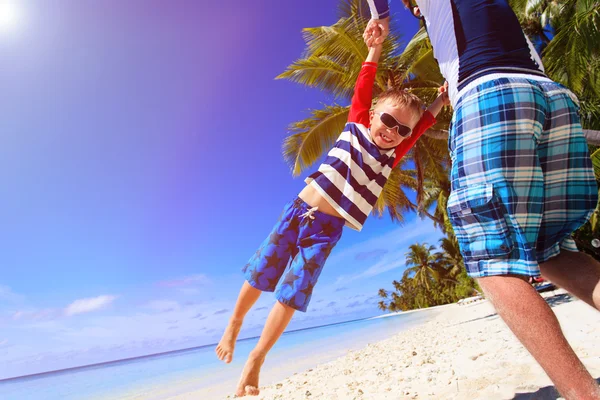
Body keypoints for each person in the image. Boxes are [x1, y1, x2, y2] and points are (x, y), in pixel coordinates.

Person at [363, 1, 600, 398]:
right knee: (554, 253)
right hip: (552, 98)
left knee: (492, 263)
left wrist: (380, 15)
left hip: (489, 92)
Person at [215, 38, 450, 397]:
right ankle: (234, 324)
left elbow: (421, 127)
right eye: (388, 121)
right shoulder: (355, 125)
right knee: (262, 272)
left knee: (292, 294)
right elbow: (364, 81)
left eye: (401, 130)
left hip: (327, 231)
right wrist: (373, 48)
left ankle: (257, 358)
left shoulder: (392, 156)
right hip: (298, 212)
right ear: (372, 113)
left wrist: (441, 100)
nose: (393, 132)